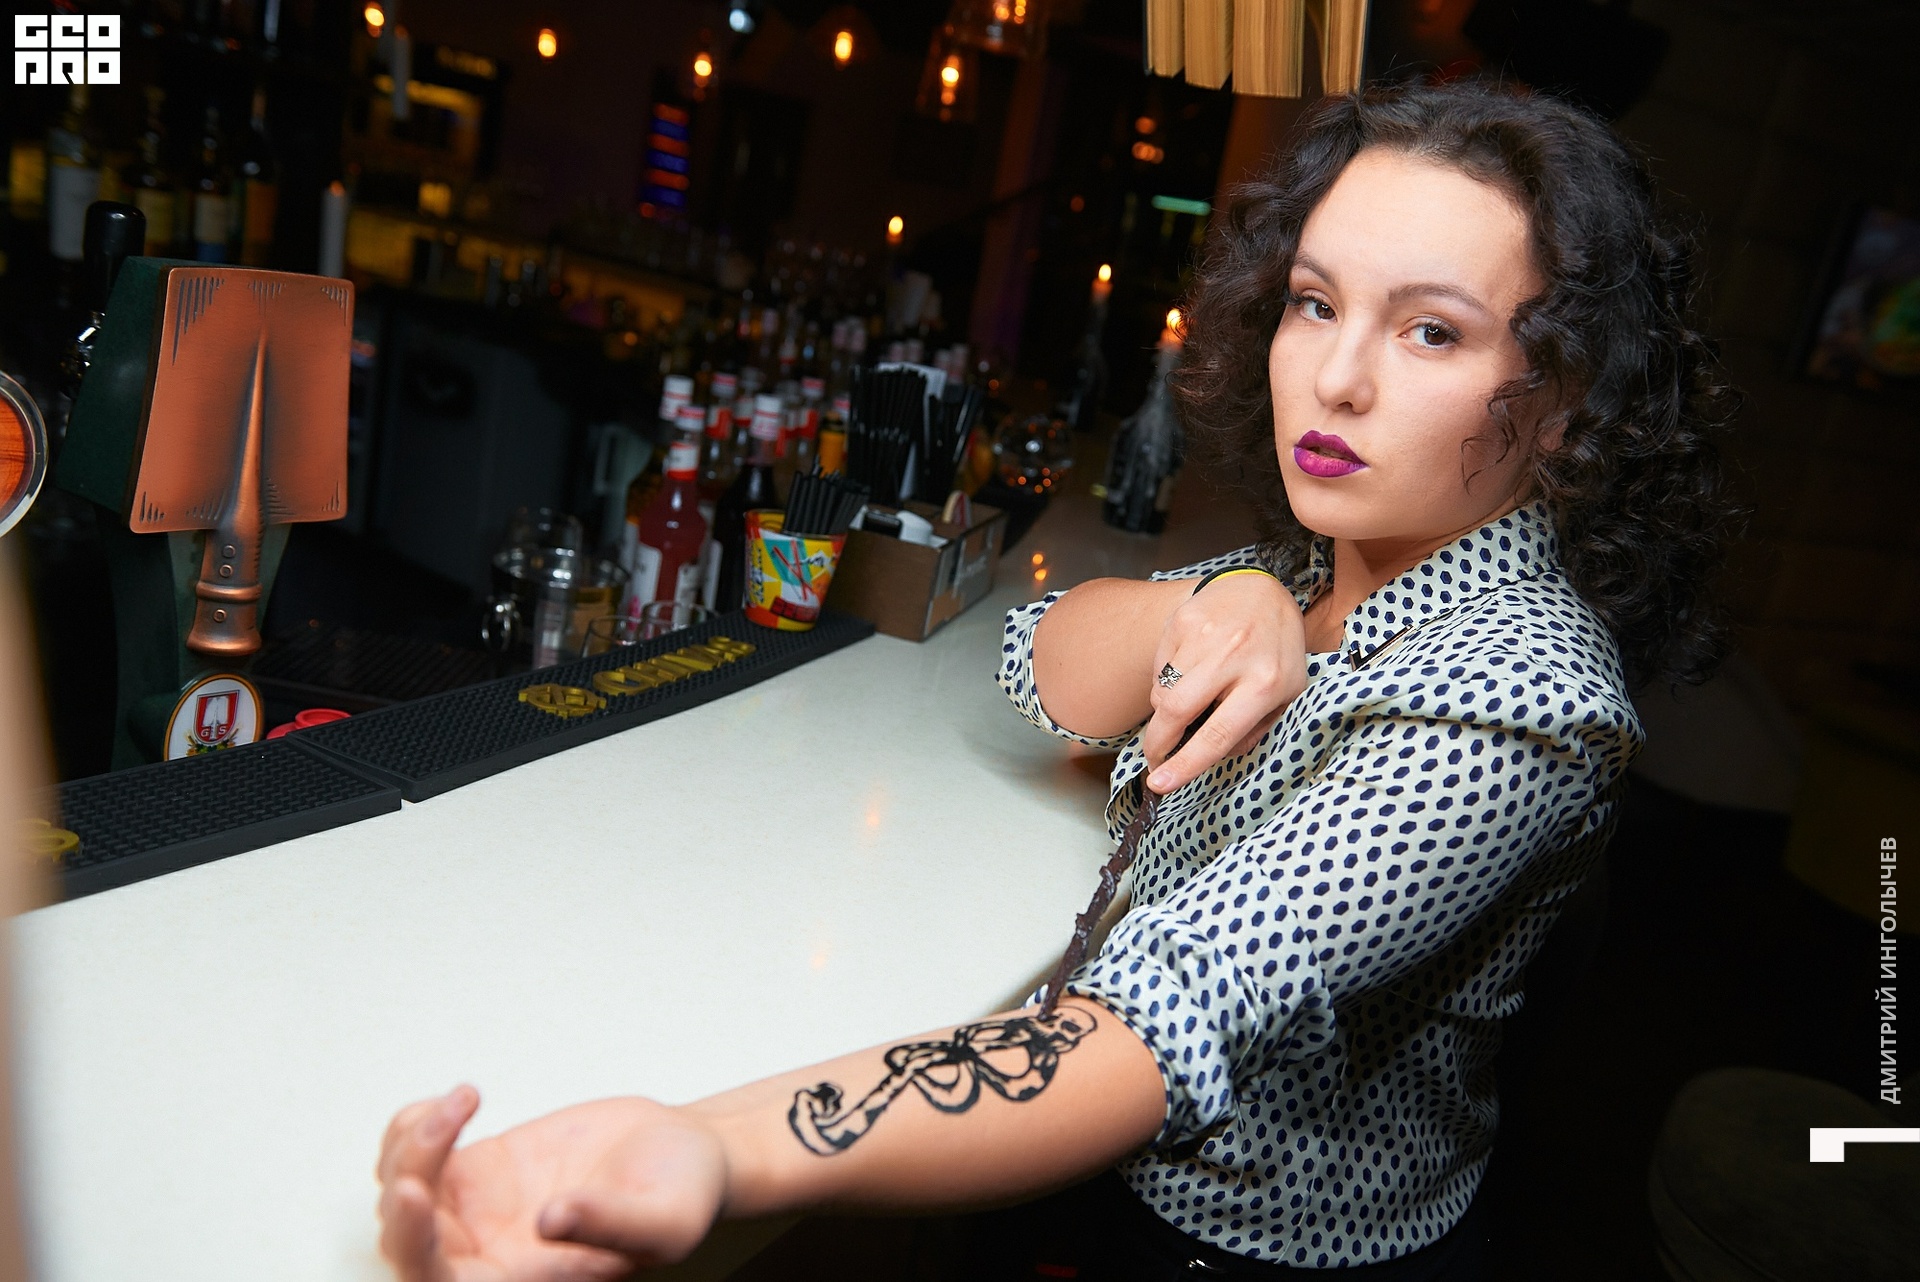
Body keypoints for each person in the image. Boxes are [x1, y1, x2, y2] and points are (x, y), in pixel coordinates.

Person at [374, 80, 1739, 1280]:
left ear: (1565, 397)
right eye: (1316, 303)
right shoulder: (1326, 561)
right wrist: (1209, 600)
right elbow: (1044, 667)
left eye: (1431, 332)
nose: (1335, 377)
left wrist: (712, 1147)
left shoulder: (1522, 698)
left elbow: (1167, 1018)